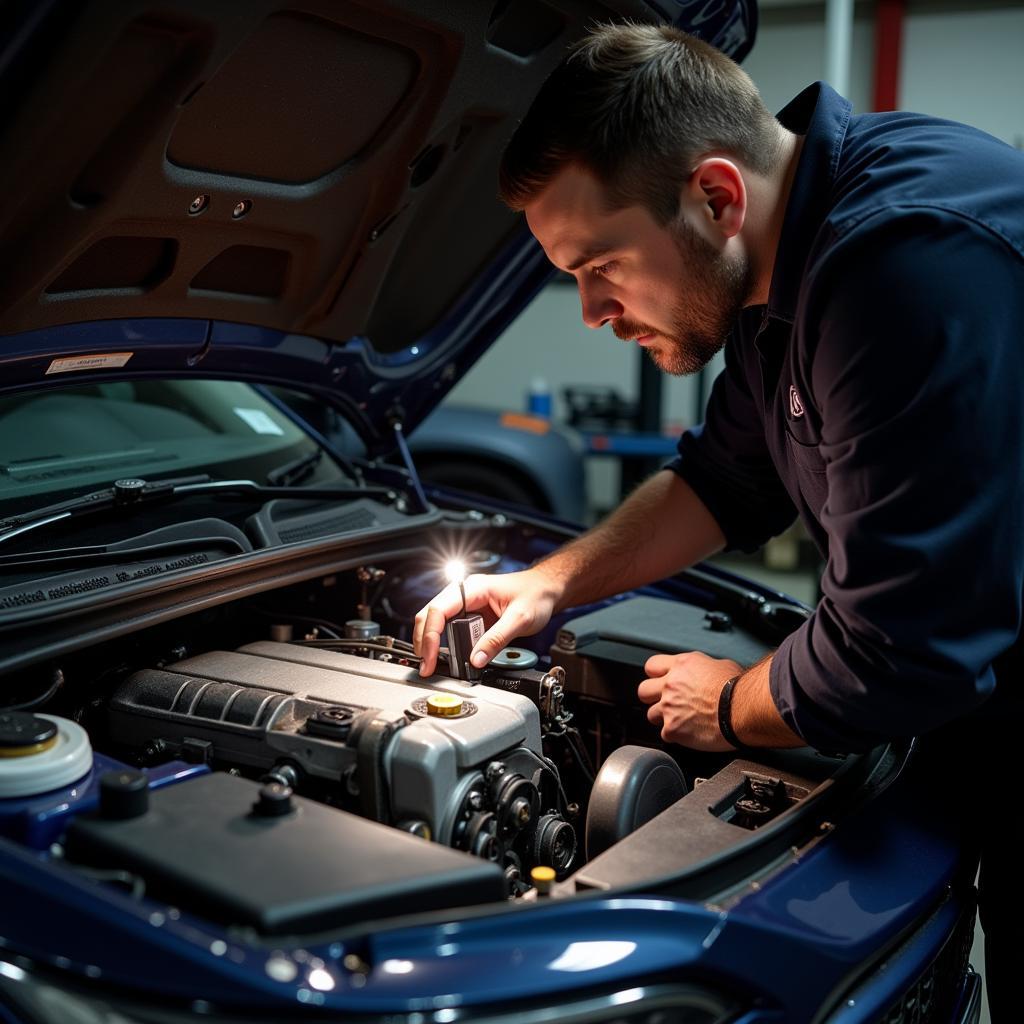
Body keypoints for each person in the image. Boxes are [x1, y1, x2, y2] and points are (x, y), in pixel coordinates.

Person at [413, 23, 1024, 1016]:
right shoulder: (784, 266)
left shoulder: (898, 268)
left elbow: (904, 651)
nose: (590, 312)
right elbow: (723, 481)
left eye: (599, 263)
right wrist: (547, 582)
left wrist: (732, 701)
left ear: (715, 196)